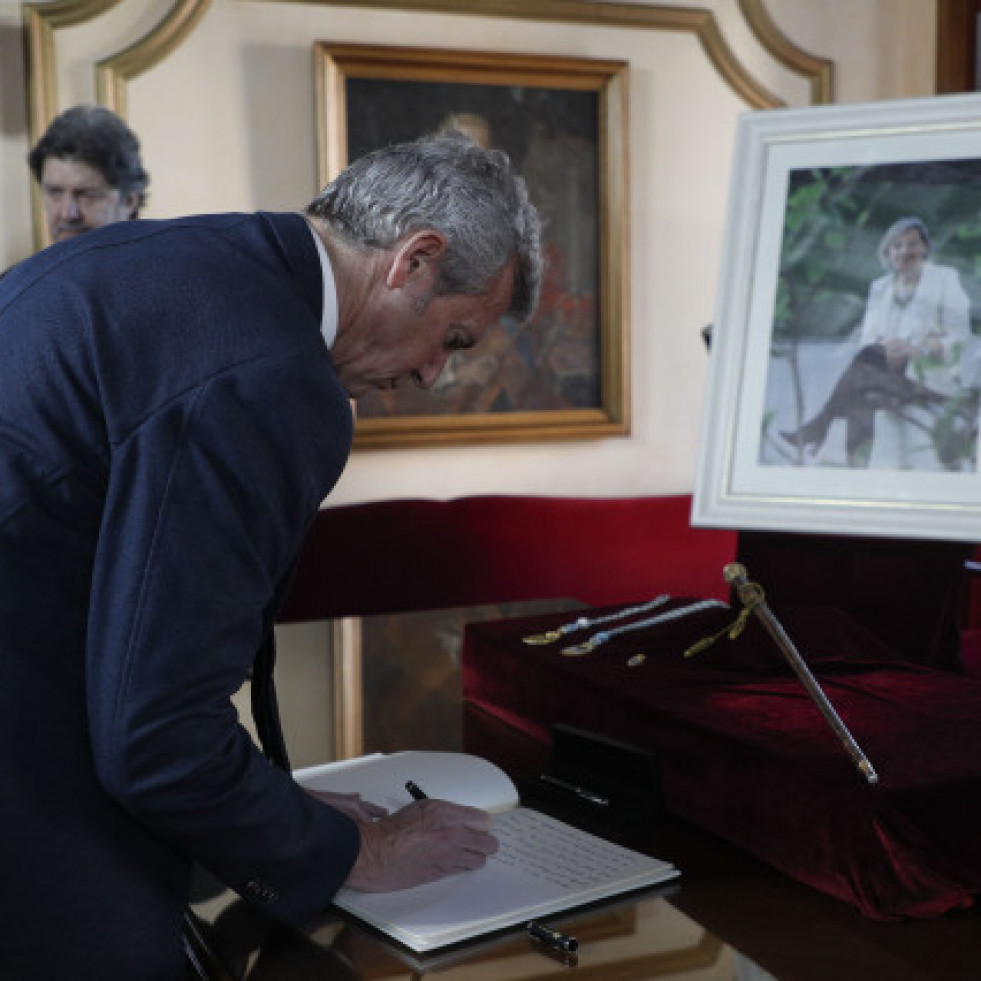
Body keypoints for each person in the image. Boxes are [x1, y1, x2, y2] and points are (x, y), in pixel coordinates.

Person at [0, 131, 542, 979]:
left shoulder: (184, 257)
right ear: (415, 260)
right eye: (455, 338)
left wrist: (268, 805)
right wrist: (348, 850)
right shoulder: (273, 377)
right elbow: (159, 736)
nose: (436, 373)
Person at [782, 216, 970, 469]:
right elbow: (869, 338)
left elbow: (960, 336)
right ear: (888, 253)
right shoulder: (880, 287)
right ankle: (855, 464)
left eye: (912, 244)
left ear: (925, 247)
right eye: (897, 246)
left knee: (861, 387)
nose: (905, 251)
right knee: (864, 386)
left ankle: (822, 427)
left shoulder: (944, 279)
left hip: (928, 378)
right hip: (885, 373)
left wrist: (916, 350)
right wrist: (889, 349)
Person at [28, 104, 149, 243]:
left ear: (129, 201)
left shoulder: (167, 263)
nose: (68, 214)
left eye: (86, 195)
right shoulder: (30, 265)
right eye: (55, 192)